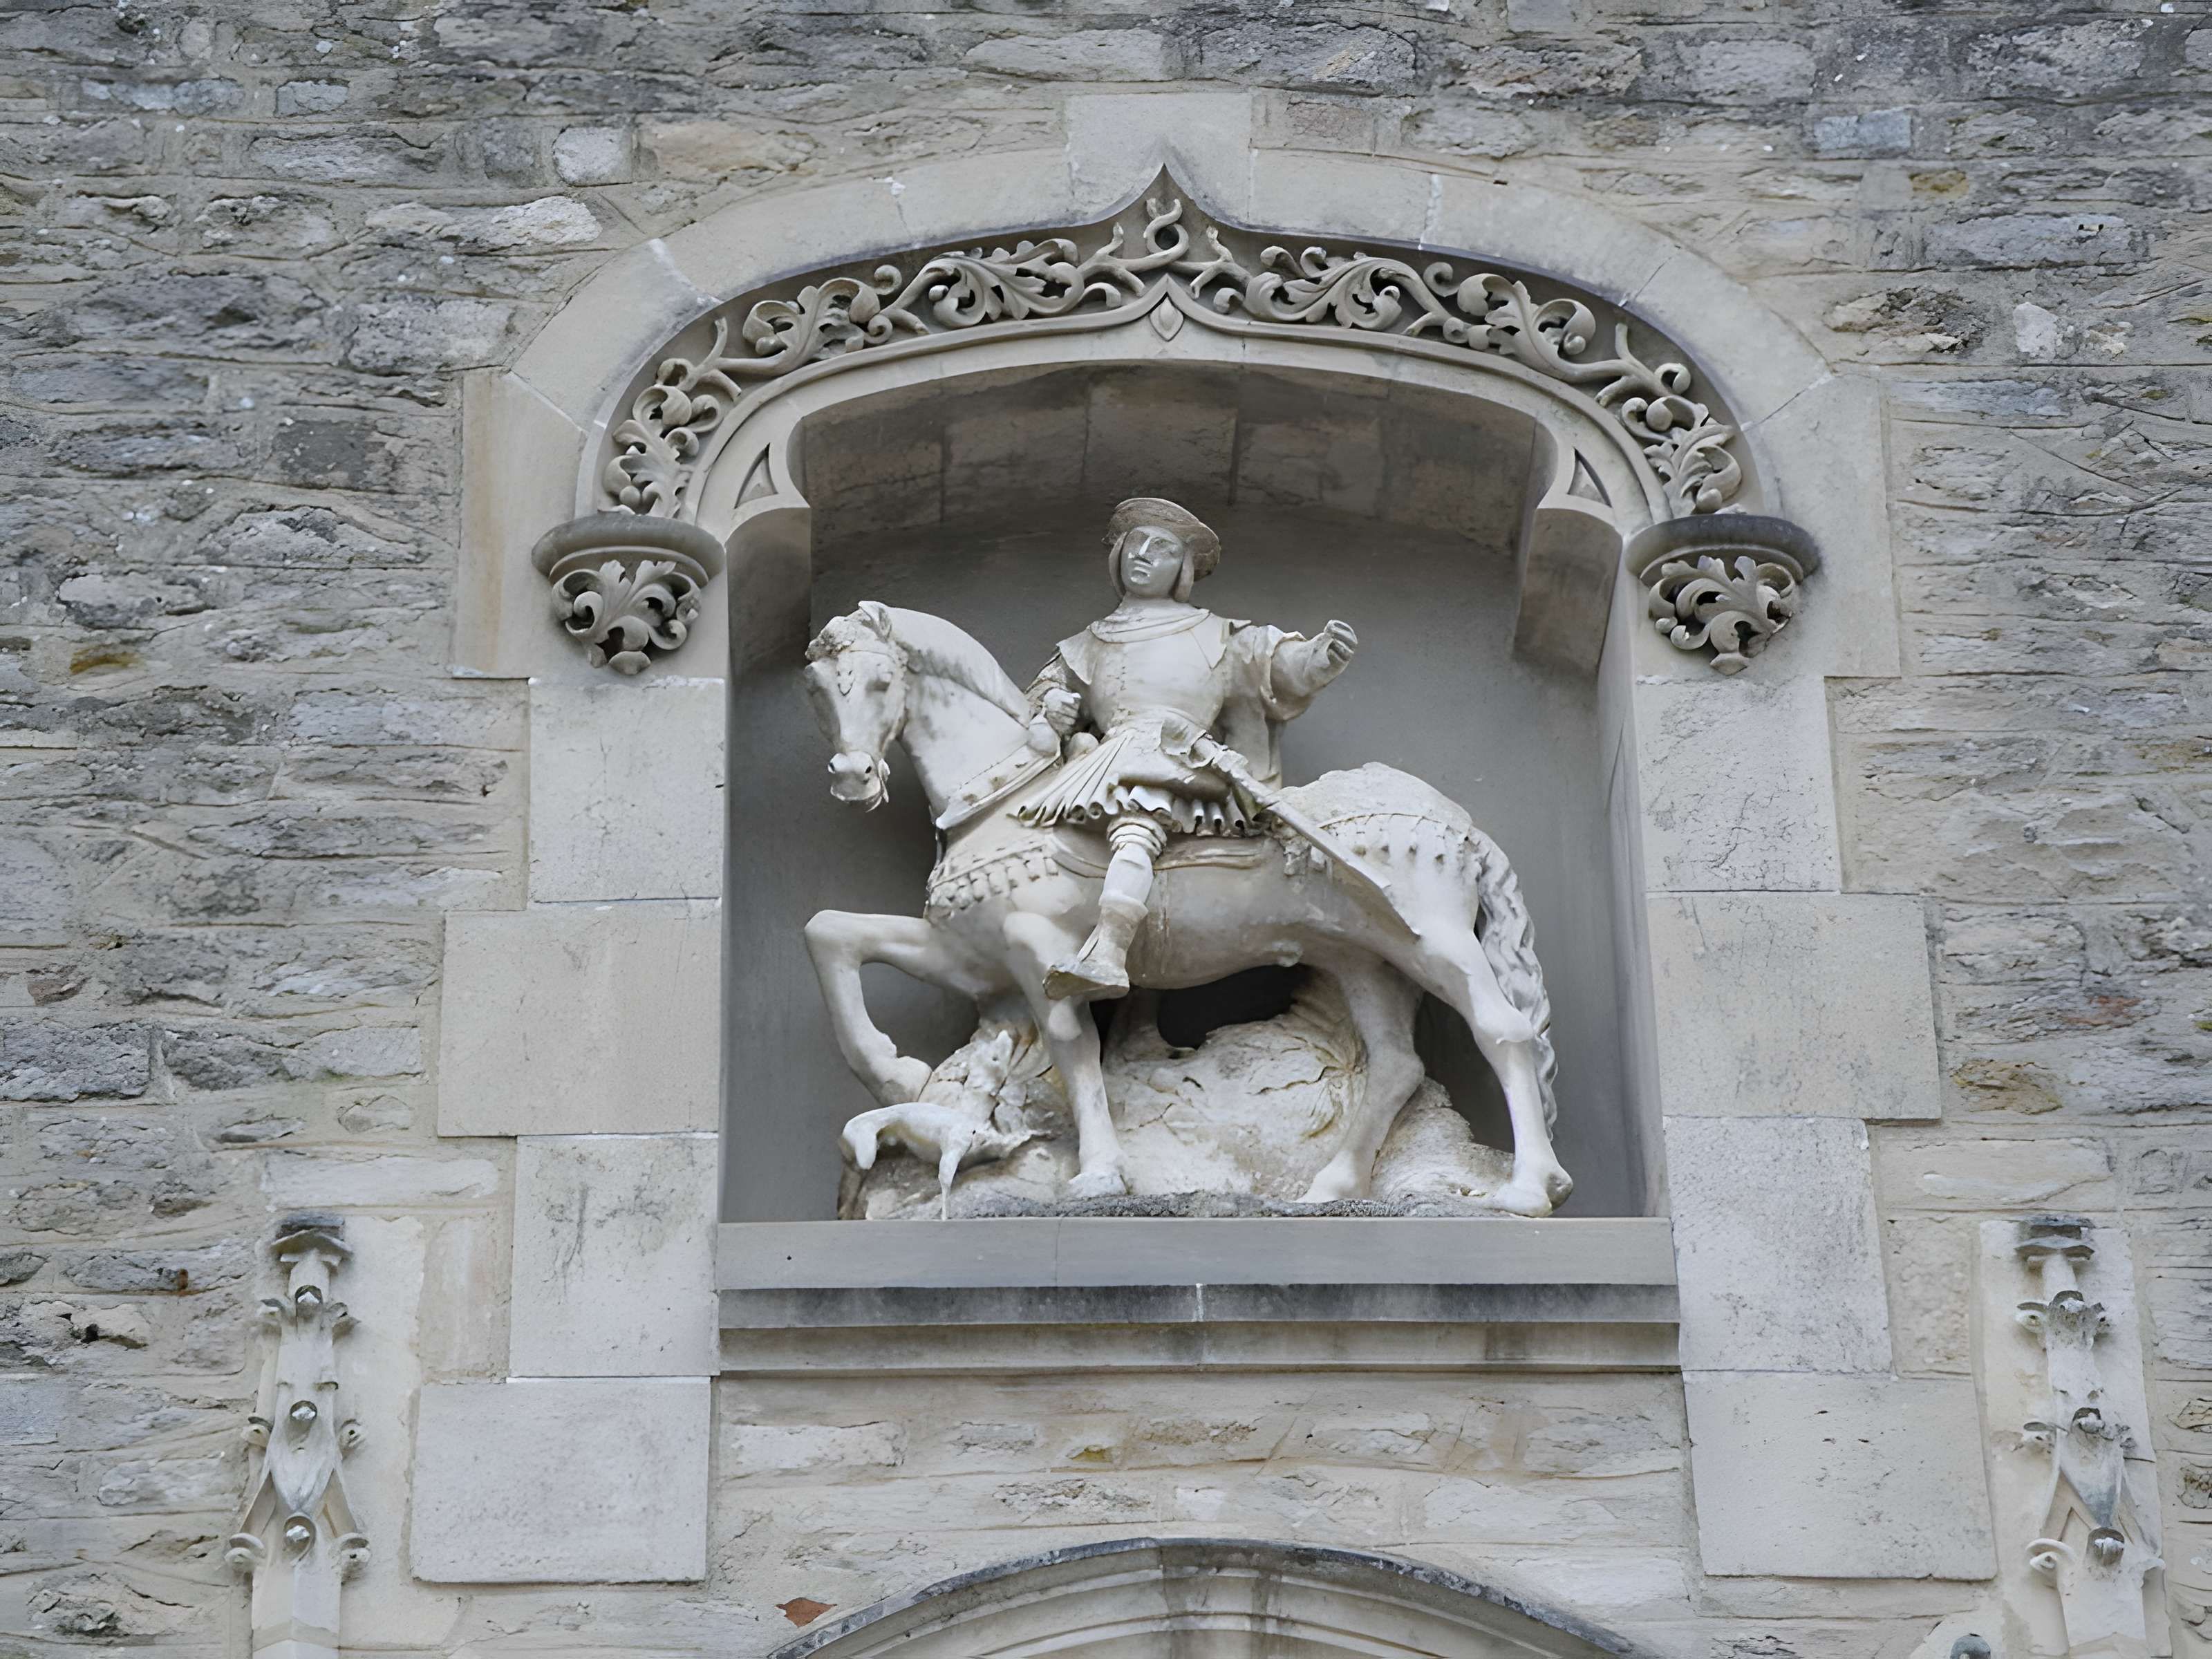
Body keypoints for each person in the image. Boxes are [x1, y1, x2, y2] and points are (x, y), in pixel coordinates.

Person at [1019, 497, 1358, 999]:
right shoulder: (1086, 643)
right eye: (1137, 543)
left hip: (1177, 755)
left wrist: (1318, 658)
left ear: (1182, 569)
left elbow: (1273, 664)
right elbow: (1042, 692)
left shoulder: (1213, 633)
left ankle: (1110, 952)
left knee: (1137, 825)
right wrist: (1053, 707)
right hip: (1106, 758)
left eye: (1161, 548)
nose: (1144, 555)